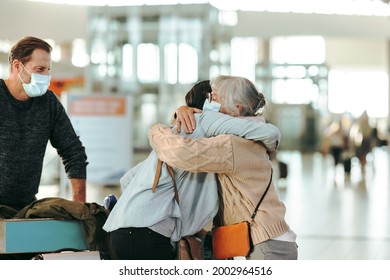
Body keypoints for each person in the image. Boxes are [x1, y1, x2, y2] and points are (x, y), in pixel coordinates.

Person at [103, 78, 281, 260]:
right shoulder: (206, 119)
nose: (215, 102)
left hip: (120, 230)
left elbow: (127, 179)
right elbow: (268, 132)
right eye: (213, 96)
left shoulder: (178, 130)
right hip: (148, 234)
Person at [149, 75, 298, 260]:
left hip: (267, 246)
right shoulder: (247, 131)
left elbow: (181, 153)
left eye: (216, 99)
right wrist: (183, 111)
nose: (209, 104)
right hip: (262, 241)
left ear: (237, 109)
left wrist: (156, 130)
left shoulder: (234, 143)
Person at [0, 36, 88, 212]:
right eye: (39, 69)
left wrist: (80, 209)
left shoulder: (48, 103)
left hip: (25, 207)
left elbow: (74, 153)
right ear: (17, 66)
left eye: (48, 70)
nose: (45, 76)